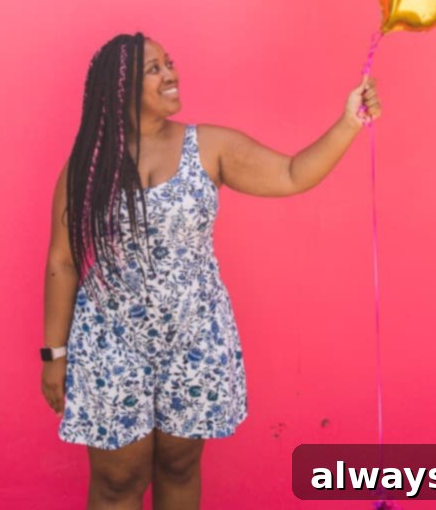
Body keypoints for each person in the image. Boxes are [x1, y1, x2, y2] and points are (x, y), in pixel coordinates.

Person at [41, 31, 381, 509]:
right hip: (111, 342)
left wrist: (348, 122)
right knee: (119, 480)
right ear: (119, 89)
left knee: (180, 465)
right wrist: (53, 354)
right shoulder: (89, 166)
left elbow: (291, 174)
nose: (171, 75)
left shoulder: (210, 146)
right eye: (153, 69)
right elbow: (62, 259)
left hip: (195, 338)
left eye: (170, 63)